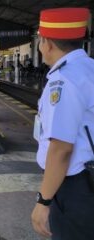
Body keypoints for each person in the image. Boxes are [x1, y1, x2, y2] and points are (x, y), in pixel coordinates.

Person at [31, 7, 94, 240]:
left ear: (47, 43)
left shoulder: (64, 80)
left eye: (39, 40)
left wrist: (43, 201)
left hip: (76, 188)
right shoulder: (88, 68)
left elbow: (61, 149)